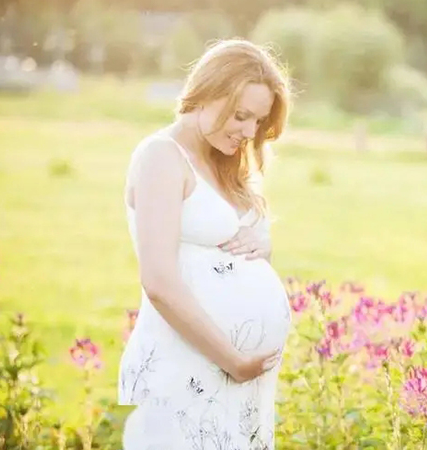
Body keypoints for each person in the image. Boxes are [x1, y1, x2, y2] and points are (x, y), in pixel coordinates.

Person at [118, 39, 292, 450]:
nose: (249, 132)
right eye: (241, 115)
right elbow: (158, 280)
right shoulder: (162, 156)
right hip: (193, 370)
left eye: (259, 121)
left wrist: (262, 247)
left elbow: (230, 254)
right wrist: (232, 360)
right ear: (207, 93)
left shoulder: (226, 163)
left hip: (241, 384)